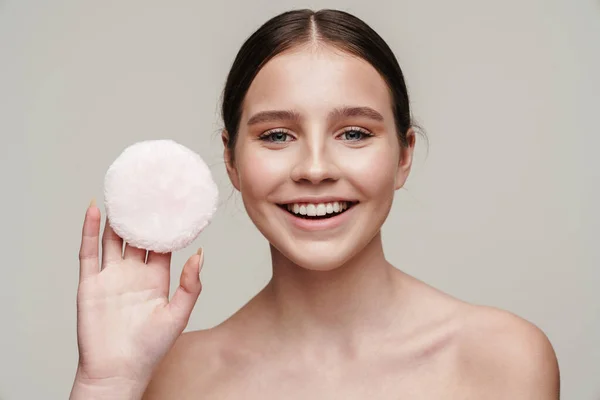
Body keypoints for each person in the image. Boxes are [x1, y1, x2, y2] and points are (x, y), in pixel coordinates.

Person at [70, 9, 560, 399]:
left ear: (404, 155)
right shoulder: (164, 379)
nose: (315, 168)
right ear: (231, 161)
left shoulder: (503, 358)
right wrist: (107, 385)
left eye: (354, 133)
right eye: (278, 135)